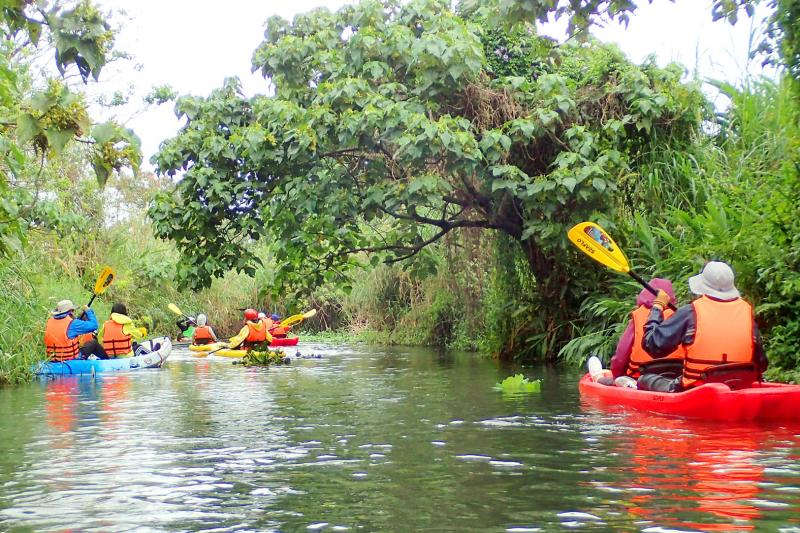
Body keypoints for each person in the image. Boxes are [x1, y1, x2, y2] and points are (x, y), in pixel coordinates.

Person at [637, 261, 768, 393]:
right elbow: (761, 363)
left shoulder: (690, 312)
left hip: (695, 390)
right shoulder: (746, 313)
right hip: (738, 387)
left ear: (703, 286)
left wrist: (657, 307)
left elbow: (652, 346)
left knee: (644, 379)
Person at [611, 278, 683, 380]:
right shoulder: (682, 317)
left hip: (638, 378)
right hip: (674, 378)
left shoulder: (639, 317)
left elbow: (621, 355)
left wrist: (617, 376)